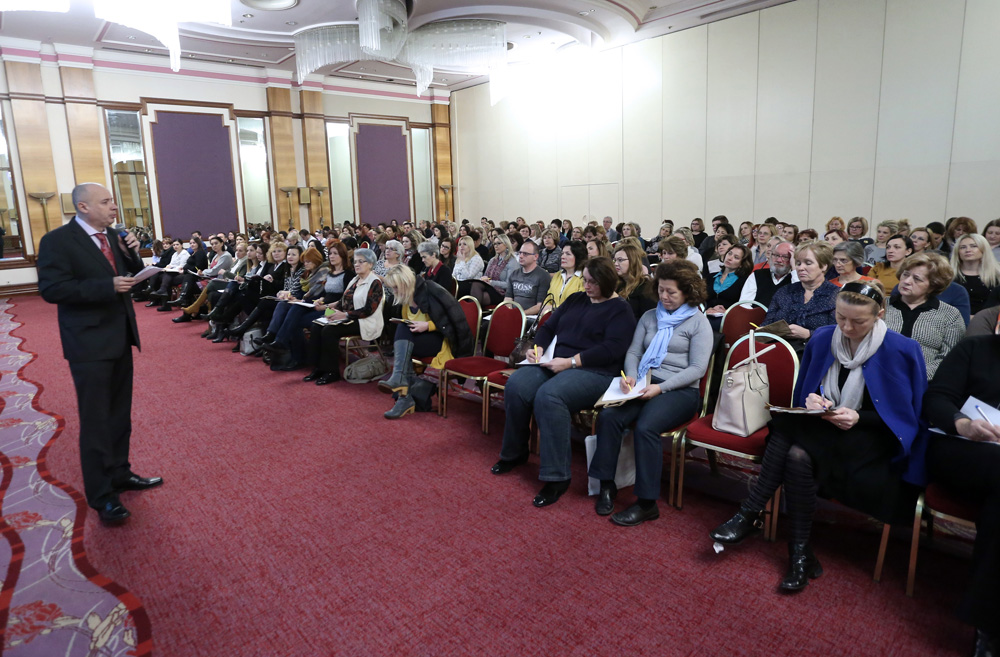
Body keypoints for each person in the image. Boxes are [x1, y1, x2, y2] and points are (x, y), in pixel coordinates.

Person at [711, 282, 927, 591]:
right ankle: (799, 552)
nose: (847, 328)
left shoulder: (901, 349)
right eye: (840, 317)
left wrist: (859, 417)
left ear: (880, 315)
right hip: (826, 426)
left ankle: (751, 514)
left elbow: (907, 416)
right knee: (792, 443)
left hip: (870, 436)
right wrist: (813, 401)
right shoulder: (824, 337)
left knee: (793, 444)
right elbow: (804, 395)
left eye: (858, 321)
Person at [36, 183, 161, 526]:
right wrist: (106, 287)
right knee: (96, 420)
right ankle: (102, 495)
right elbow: (52, 289)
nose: (114, 207)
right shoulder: (58, 241)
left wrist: (133, 253)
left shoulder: (114, 237)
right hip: (88, 343)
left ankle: (121, 472)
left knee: (120, 414)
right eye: (106, 202)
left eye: (112, 202)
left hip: (120, 336)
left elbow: (130, 275)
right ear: (84, 207)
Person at [491, 257, 637, 507]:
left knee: (550, 396)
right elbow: (549, 328)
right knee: (517, 385)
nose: (586, 286)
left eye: (592, 282)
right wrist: (538, 348)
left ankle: (557, 477)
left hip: (596, 371)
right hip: (559, 362)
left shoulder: (620, 309)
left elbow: (612, 349)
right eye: (585, 280)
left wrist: (570, 362)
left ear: (607, 282)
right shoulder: (576, 299)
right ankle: (515, 453)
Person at [589, 260, 712, 524]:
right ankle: (607, 484)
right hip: (645, 382)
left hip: (680, 390)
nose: (664, 296)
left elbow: (697, 369)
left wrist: (660, 388)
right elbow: (634, 351)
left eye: (671, 292)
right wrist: (631, 376)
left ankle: (647, 504)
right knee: (609, 417)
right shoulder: (649, 316)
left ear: (688, 292)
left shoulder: (698, 322)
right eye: (661, 290)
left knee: (646, 427)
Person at [922, 334, 1000, 656]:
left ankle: (988, 621)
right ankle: (989, 627)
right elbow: (937, 398)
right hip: (961, 448)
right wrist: (963, 424)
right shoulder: (975, 348)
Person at [379, 265, 473, 418]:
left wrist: (428, 325)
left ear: (405, 283)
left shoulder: (432, 289)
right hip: (418, 341)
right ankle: (403, 394)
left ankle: (401, 389)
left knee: (403, 338)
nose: (394, 291)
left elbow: (455, 321)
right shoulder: (404, 299)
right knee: (403, 332)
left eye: (396, 287)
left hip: (441, 340)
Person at [304, 248, 384, 385]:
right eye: (355, 262)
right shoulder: (355, 279)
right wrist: (328, 312)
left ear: (370, 264)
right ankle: (318, 367)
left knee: (329, 331)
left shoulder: (375, 282)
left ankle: (331, 371)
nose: (356, 264)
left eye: (361, 262)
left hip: (365, 321)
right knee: (317, 325)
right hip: (348, 317)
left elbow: (369, 309)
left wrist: (345, 314)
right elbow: (342, 302)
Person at [884, 253, 962, 379]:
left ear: (932, 286)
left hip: (925, 382)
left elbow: (949, 357)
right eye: (905, 274)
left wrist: (918, 376)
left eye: (917, 279)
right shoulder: (880, 305)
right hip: (878, 376)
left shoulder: (950, 315)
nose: (907, 281)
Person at [762, 241, 838, 342]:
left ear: (824, 266)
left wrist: (809, 334)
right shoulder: (784, 292)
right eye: (798, 263)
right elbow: (767, 324)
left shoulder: (836, 296)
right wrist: (762, 331)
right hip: (778, 347)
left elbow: (838, 335)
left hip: (816, 348)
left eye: (808, 263)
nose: (801, 268)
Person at [952, 233, 1000, 316]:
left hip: (989, 320)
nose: (968, 250)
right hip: (956, 320)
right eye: (963, 247)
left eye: (974, 246)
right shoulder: (949, 276)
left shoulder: (996, 275)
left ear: (983, 249)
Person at [704, 243, 754, 316]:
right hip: (706, 315)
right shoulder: (710, 277)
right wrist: (706, 309)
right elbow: (700, 300)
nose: (730, 258)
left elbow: (745, 306)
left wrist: (727, 311)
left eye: (736, 257)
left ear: (742, 264)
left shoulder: (745, 281)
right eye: (729, 253)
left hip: (730, 317)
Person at [741, 240, 795, 306]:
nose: (779, 260)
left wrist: (794, 268)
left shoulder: (796, 279)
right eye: (776, 255)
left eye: (785, 257)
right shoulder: (757, 275)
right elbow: (744, 304)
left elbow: (800, 299)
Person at [505, 239, 551, 315]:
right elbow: (508, 299)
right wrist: (510, 313)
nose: (521, 256)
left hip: (530, 317)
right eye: (520, 253)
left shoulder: (543, 276)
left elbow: (540, 306)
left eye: (525, 254)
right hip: (513, 314)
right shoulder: (514, 274)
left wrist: (520, 315)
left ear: (535, 257)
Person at [542, 240, 587, 312]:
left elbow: (578, 306)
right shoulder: (557, 275)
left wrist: (555, 309)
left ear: (578, 257)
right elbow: (547, 300)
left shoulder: (584, 278)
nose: (563, 257)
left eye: (568, 254)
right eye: (562, 253)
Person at [614, 243, 655, 320]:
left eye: (620, 260)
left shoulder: (645, 287)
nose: (615, 264)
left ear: (633, 261)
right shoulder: (617, 284)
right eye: (615, 260)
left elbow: (648, 319)